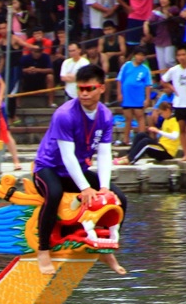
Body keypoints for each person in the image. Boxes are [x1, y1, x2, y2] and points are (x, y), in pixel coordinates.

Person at [32, 64, 127, 276]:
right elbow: (67, 156)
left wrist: (103, 188)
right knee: (54, 193)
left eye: (89, 88)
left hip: (75, 171)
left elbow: (103, 154)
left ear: (101, 88)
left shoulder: (106, 116)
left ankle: (104, 246)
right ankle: (43, 250)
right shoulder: (64, 114)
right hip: (48, 169)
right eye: (80, 88)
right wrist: (85, 188)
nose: (84, 93)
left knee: (120, 198)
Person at [114, 101, 179, 165]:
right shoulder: (166, 120)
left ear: (167, 110)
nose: (161, 116)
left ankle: (130, 160)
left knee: (146, 142)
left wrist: (158, 131)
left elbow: (175, 136)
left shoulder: (175, 121)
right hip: (161, 145)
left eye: (162, 113)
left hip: (167, 152)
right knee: (140, 135)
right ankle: (128, 155)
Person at [116, 47, 153, 146]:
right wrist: (119, 93)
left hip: (138, 97)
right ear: (134, 55)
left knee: (140, 117)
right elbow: (119, 80)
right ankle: (126, 140)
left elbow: (148, 85)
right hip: (127, 96)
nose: (141, 57)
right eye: (139, 55)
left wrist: (147, 98)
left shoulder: (145, 69)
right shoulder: (126, 66)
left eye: (143, 56)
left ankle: (141, 141)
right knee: (128, 118)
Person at [144, 0, 181, 72]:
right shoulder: (156, 11)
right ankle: (164, 82)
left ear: (169, 0)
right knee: (161, 64)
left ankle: (176, 75)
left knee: (169, 61)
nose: (162, 0)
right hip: (159, 40)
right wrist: (146, 25)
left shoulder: (174, 8)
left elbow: (168, 16)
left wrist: (164, 12)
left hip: (169, 39)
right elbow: (149, 20)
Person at [19, 42, 55, 107]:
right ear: (31, 51)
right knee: (18, 77)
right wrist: (27, 70)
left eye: (39, 51)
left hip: (41, 82)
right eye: (35, 51)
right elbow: (19, 70)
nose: (37, 54)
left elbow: (51, 70)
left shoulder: (46, 57)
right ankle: (18, 103)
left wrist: (38, 70)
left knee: (50, 77)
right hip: (28, 82)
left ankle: (50, 102)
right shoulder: (25, 58)